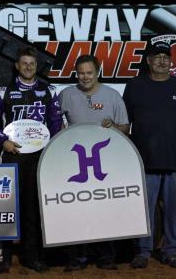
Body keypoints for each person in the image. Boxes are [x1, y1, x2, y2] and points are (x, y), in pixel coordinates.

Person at [122, 41, 176, 268]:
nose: (162, 60)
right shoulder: (134, 86)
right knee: (143, 210)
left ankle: (172, 251)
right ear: (148, 61)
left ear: (171, 61)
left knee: (175, 211)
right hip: (144, 161)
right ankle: (143, 251)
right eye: (156, 56)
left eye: (166, 57)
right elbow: (124, 124)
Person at [0, 46, 62, 273]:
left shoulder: (49, 91)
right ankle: (3, 257)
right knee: (7, 206)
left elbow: (56, 125)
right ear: (17, 66)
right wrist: (3, 142)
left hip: (39, 158)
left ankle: (32, 256)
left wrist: (52, 148)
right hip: (11, 155)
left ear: (36, 66)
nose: (28, 67)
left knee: (33, 208)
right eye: (24, 63)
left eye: (32, 63)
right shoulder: (3, 91)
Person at [59, 54, 129, 272]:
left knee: (104, 209)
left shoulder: (113, 95)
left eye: (89, 73)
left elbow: (126, 128)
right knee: (76, 210)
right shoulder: (66, 95)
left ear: (97, 72)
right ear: (76, 73)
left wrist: (114, 126)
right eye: (81, 73)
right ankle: (77, 257)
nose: (85, 77)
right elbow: (54, 123)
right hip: (74, 164)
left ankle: (106, 256)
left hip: (104, 165)